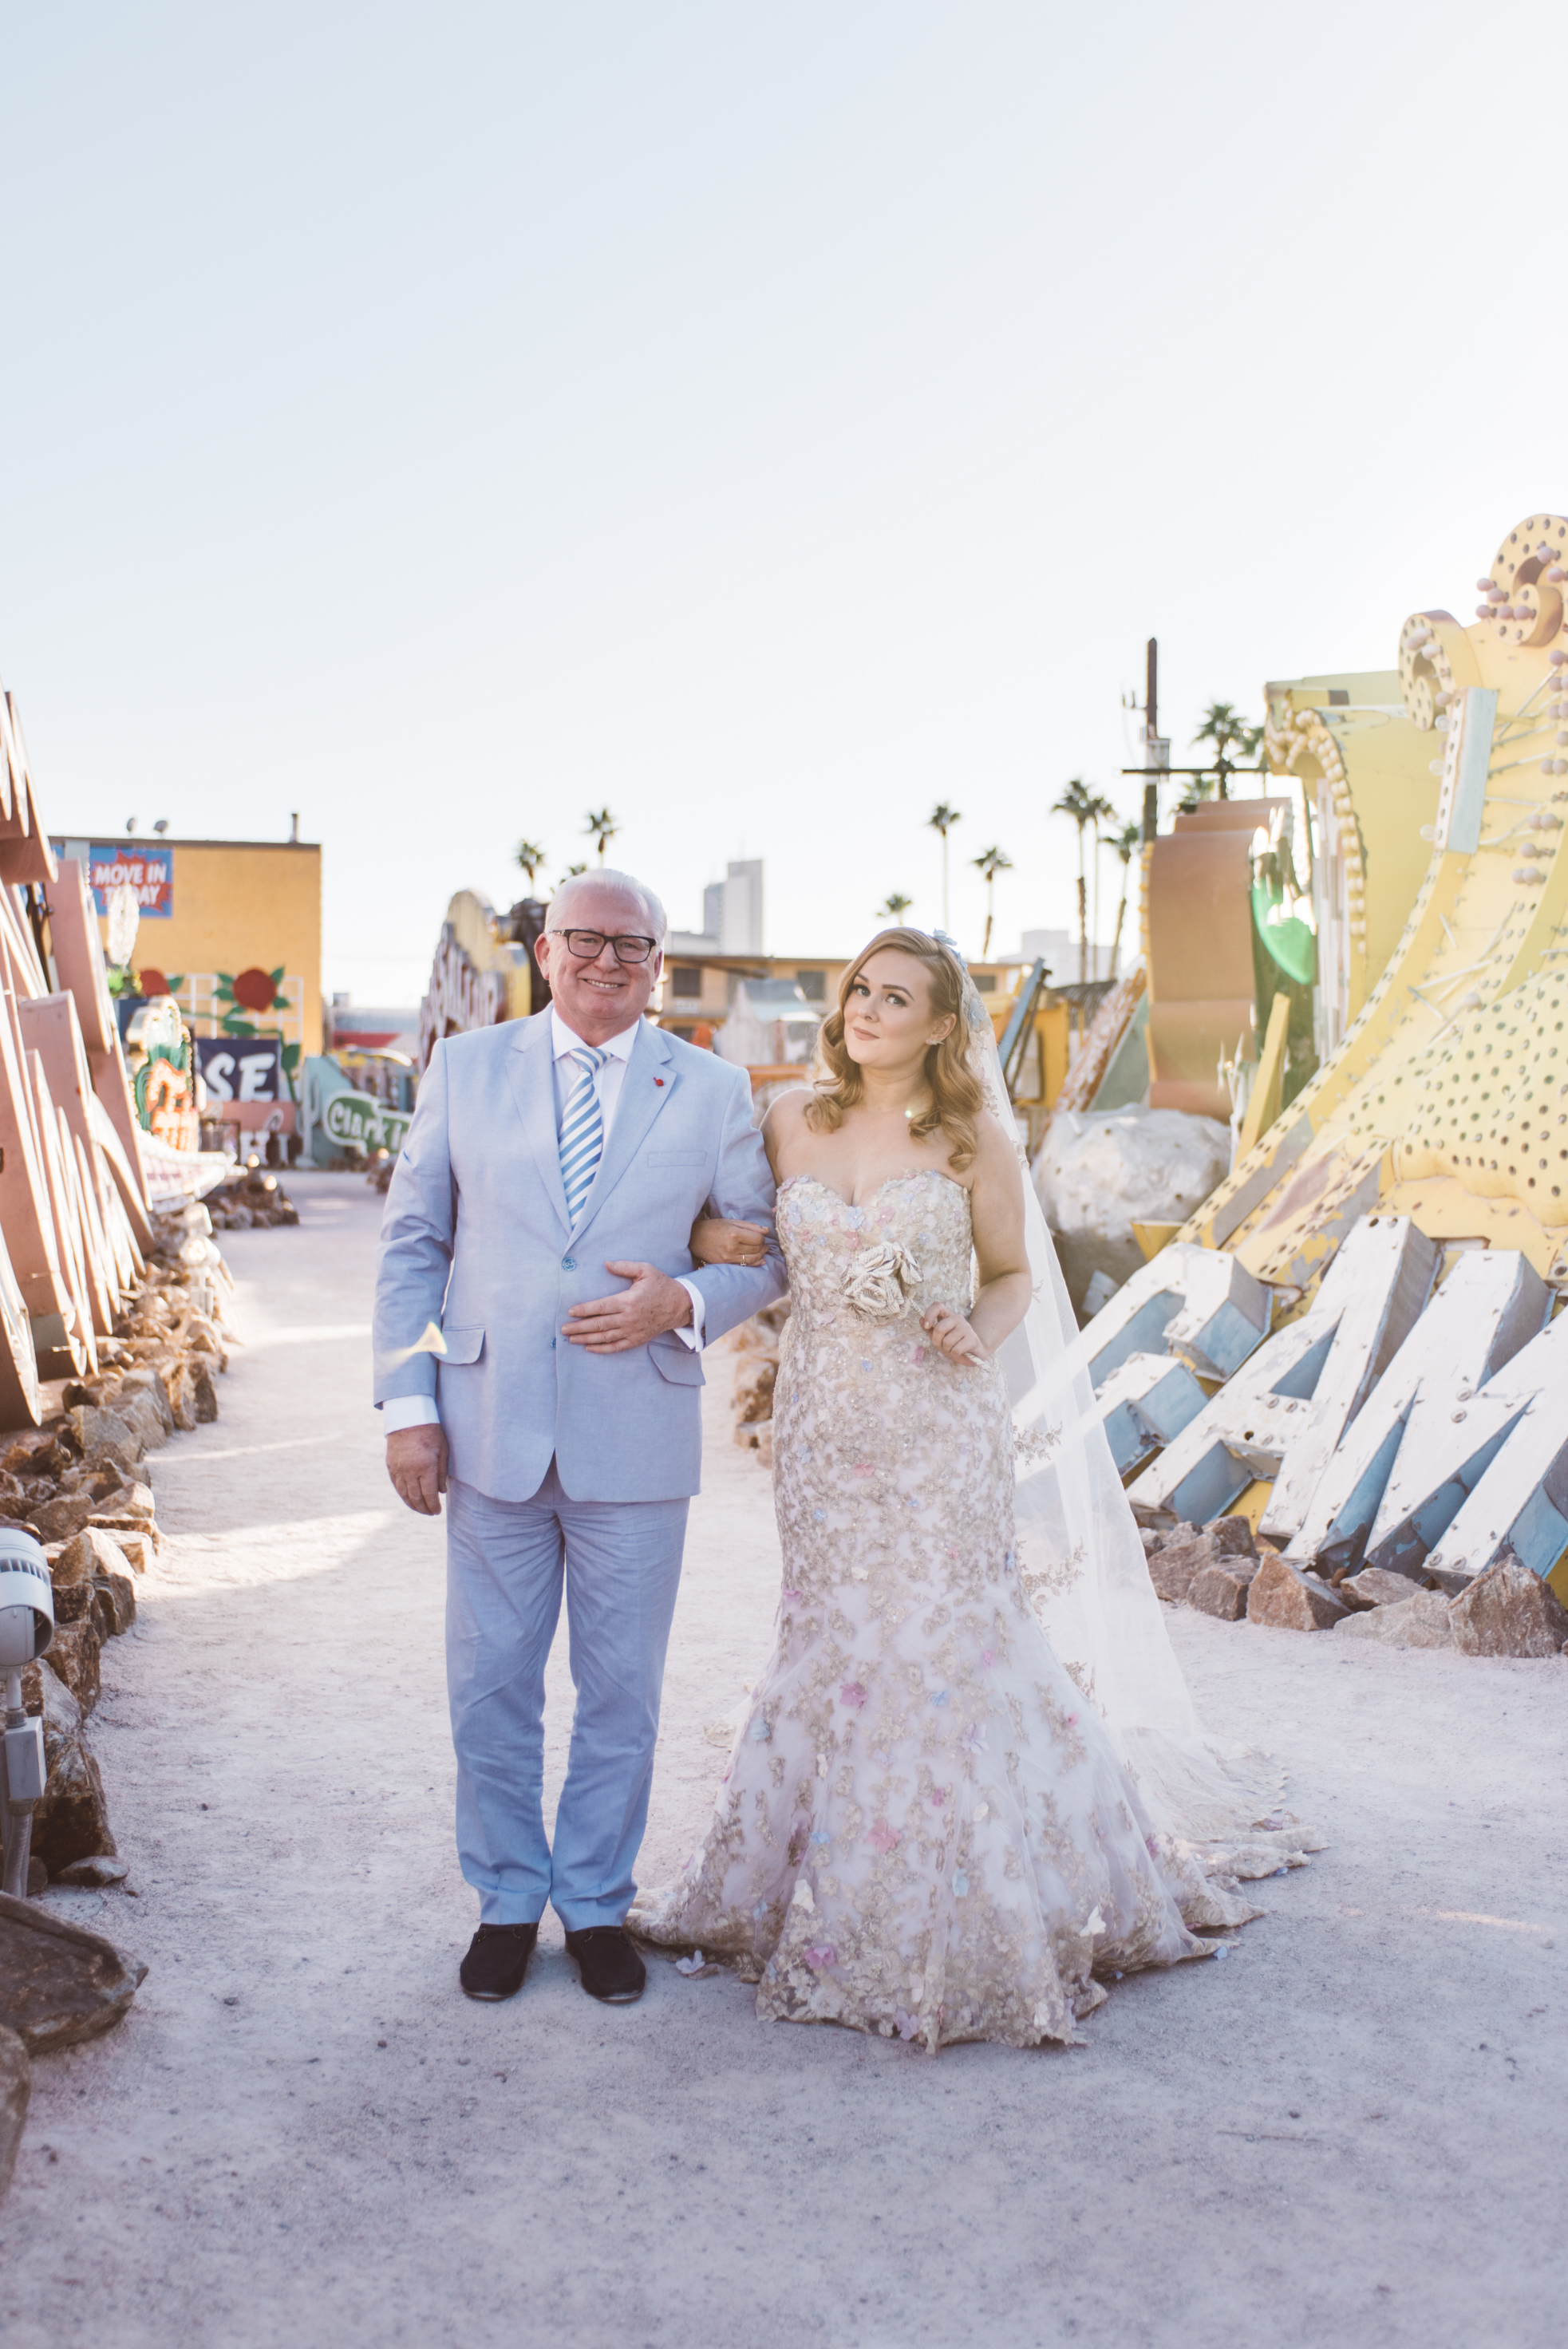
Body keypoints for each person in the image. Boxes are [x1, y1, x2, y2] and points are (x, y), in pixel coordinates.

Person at [632, 927, 1298, 2051]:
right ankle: (807, 1895)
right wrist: (702, 1231)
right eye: (858, 991)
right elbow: (741, 1238)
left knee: (950, 1644)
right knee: (833, 1640)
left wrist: (967, 1329)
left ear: (944, 1025)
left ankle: (967, 1906)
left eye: (896, 998)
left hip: (936, 1424)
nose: (867, 1010)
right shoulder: (789, 1117)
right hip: (823, 1426)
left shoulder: (972, 1137)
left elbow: (1012, 1278)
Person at [373, 871, 785, 2007]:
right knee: (490, 1684)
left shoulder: (709, 1087)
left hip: (636, 1430)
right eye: (586, 941)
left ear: (659, 963)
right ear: (545, 952)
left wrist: (683, 1304)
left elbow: (759, 1254)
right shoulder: (466, 1069)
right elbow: (413, 1243)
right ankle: (507, 1899)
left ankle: (597, 1901)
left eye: (633, 945)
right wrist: (411, 1406)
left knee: (621, 1694)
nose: (609, 961)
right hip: (487, 1425)